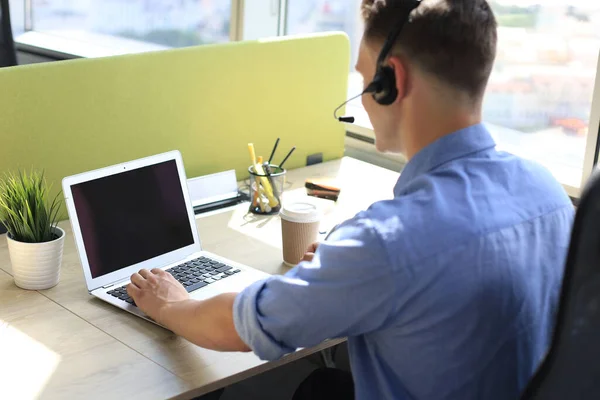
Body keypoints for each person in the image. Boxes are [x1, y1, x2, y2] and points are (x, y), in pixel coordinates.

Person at [126, 0, 575, 399]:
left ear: (390, 80)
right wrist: (347, 265)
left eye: (363, 80)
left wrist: (169, 303)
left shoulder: (389, 244)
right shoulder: (547, 191)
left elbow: (238, 326)